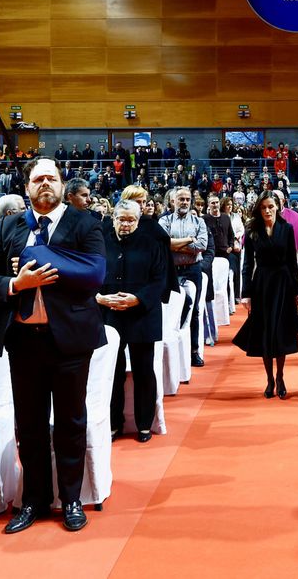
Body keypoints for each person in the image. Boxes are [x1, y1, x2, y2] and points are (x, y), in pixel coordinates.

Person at [0, 157, 107, 534]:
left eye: (51, 178)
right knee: (30, 424)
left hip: (70, 341)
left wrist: (50, 266)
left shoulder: (85, 222)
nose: (45, 185)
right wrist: (15, 285)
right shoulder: (8, 225)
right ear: (27, 187)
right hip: (24, 340)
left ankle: (70, 498)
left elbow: (94, 277)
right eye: (38, 179)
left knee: (70, 421)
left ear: (61, 184)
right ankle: (34, 499)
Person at [98, 200, 164, 443]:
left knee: (143, 371)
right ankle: (114, 423)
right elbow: (91, 274)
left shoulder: (151, 243)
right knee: (112, 372)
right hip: (109, 314)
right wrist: (100, 298)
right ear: (113, 217)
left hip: (142, 315)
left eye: (131, 220)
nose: (125, 224)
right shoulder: (101, 241)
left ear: (138, 221)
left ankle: (144, 424)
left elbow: (160, 280)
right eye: (121, 219)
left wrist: (137, 299)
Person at [232, 191, 298, 398]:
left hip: (283, 284)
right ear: (258, 209)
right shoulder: (252, 230)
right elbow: (247, 264)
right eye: (263, 207)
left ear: (278, 207)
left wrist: (296, 291)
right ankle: (269, 379)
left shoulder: (287, 229)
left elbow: (292, 262)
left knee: (280, 332)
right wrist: (246, 294)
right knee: (265, 333)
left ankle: (280, 376)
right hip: (261, 284)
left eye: (271, 206)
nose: (267, 211)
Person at [159, 187, 208, 367]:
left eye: (187, 199)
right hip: (171, 270)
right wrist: (189, 240)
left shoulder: (199, 221)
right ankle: (172, 353)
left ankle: (194, 351)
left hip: (193, 269)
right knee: (171, 309)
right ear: (173, 201)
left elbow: (202, 245)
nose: (185, 202)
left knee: (194, 310)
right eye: (181, 199)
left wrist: (174, 244)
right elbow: (163, 244)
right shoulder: (164, 221)